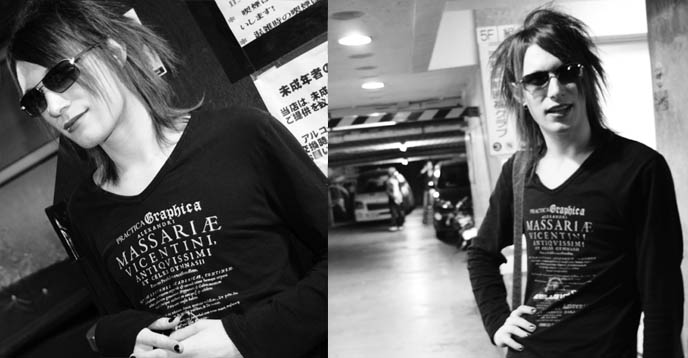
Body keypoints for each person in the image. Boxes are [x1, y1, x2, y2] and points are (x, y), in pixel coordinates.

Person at [7, 1, 326, 357]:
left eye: (60, 76)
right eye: (35, 100)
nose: (53, 107)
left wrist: (245, 337)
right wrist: (128, 334)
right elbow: (116, 316)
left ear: (114, 53)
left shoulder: (242, 137)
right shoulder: (85, 210)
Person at [467, 7, 683, 358]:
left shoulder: (639, 169)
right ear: (520, 92)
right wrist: (497, 323)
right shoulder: (518, 172)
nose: (555, 90)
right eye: (537, 79)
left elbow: (663, 294)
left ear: (584, 78)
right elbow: (481, 255)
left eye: (566, 73)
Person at [385, 166, 406, 231]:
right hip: (393, 199)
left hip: (400, 198)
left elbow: (403, 183)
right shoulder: (388, 181)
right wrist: (393, 197)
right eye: (391, 172)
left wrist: (398, 176)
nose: (392, 173)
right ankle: (394, 225)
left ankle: (400, 224)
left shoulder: (398, 178)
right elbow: (388, 191)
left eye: (393, 172)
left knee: (401, 212)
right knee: (394, 213)